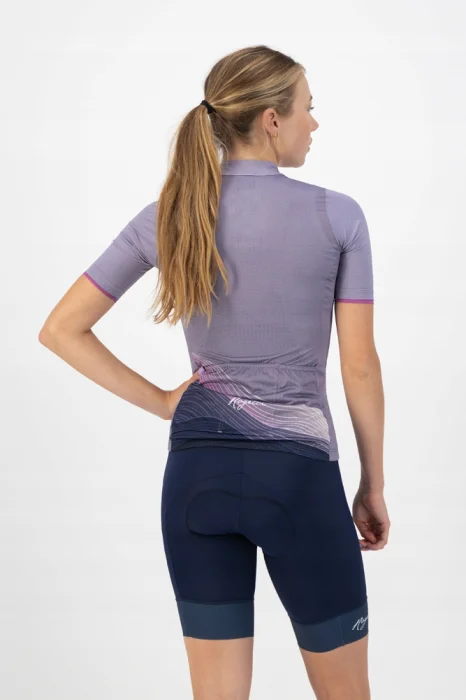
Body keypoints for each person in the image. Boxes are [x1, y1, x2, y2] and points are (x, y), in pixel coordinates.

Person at [39, 44, 389, 700]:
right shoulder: (337, 215)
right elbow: (360, 367)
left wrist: (165, 402)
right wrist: (372, 484)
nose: (315, 122)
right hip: (300, 480)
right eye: (308, 108)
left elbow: (61, 329)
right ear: (272, 120)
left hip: (195, 481)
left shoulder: (168, 215)